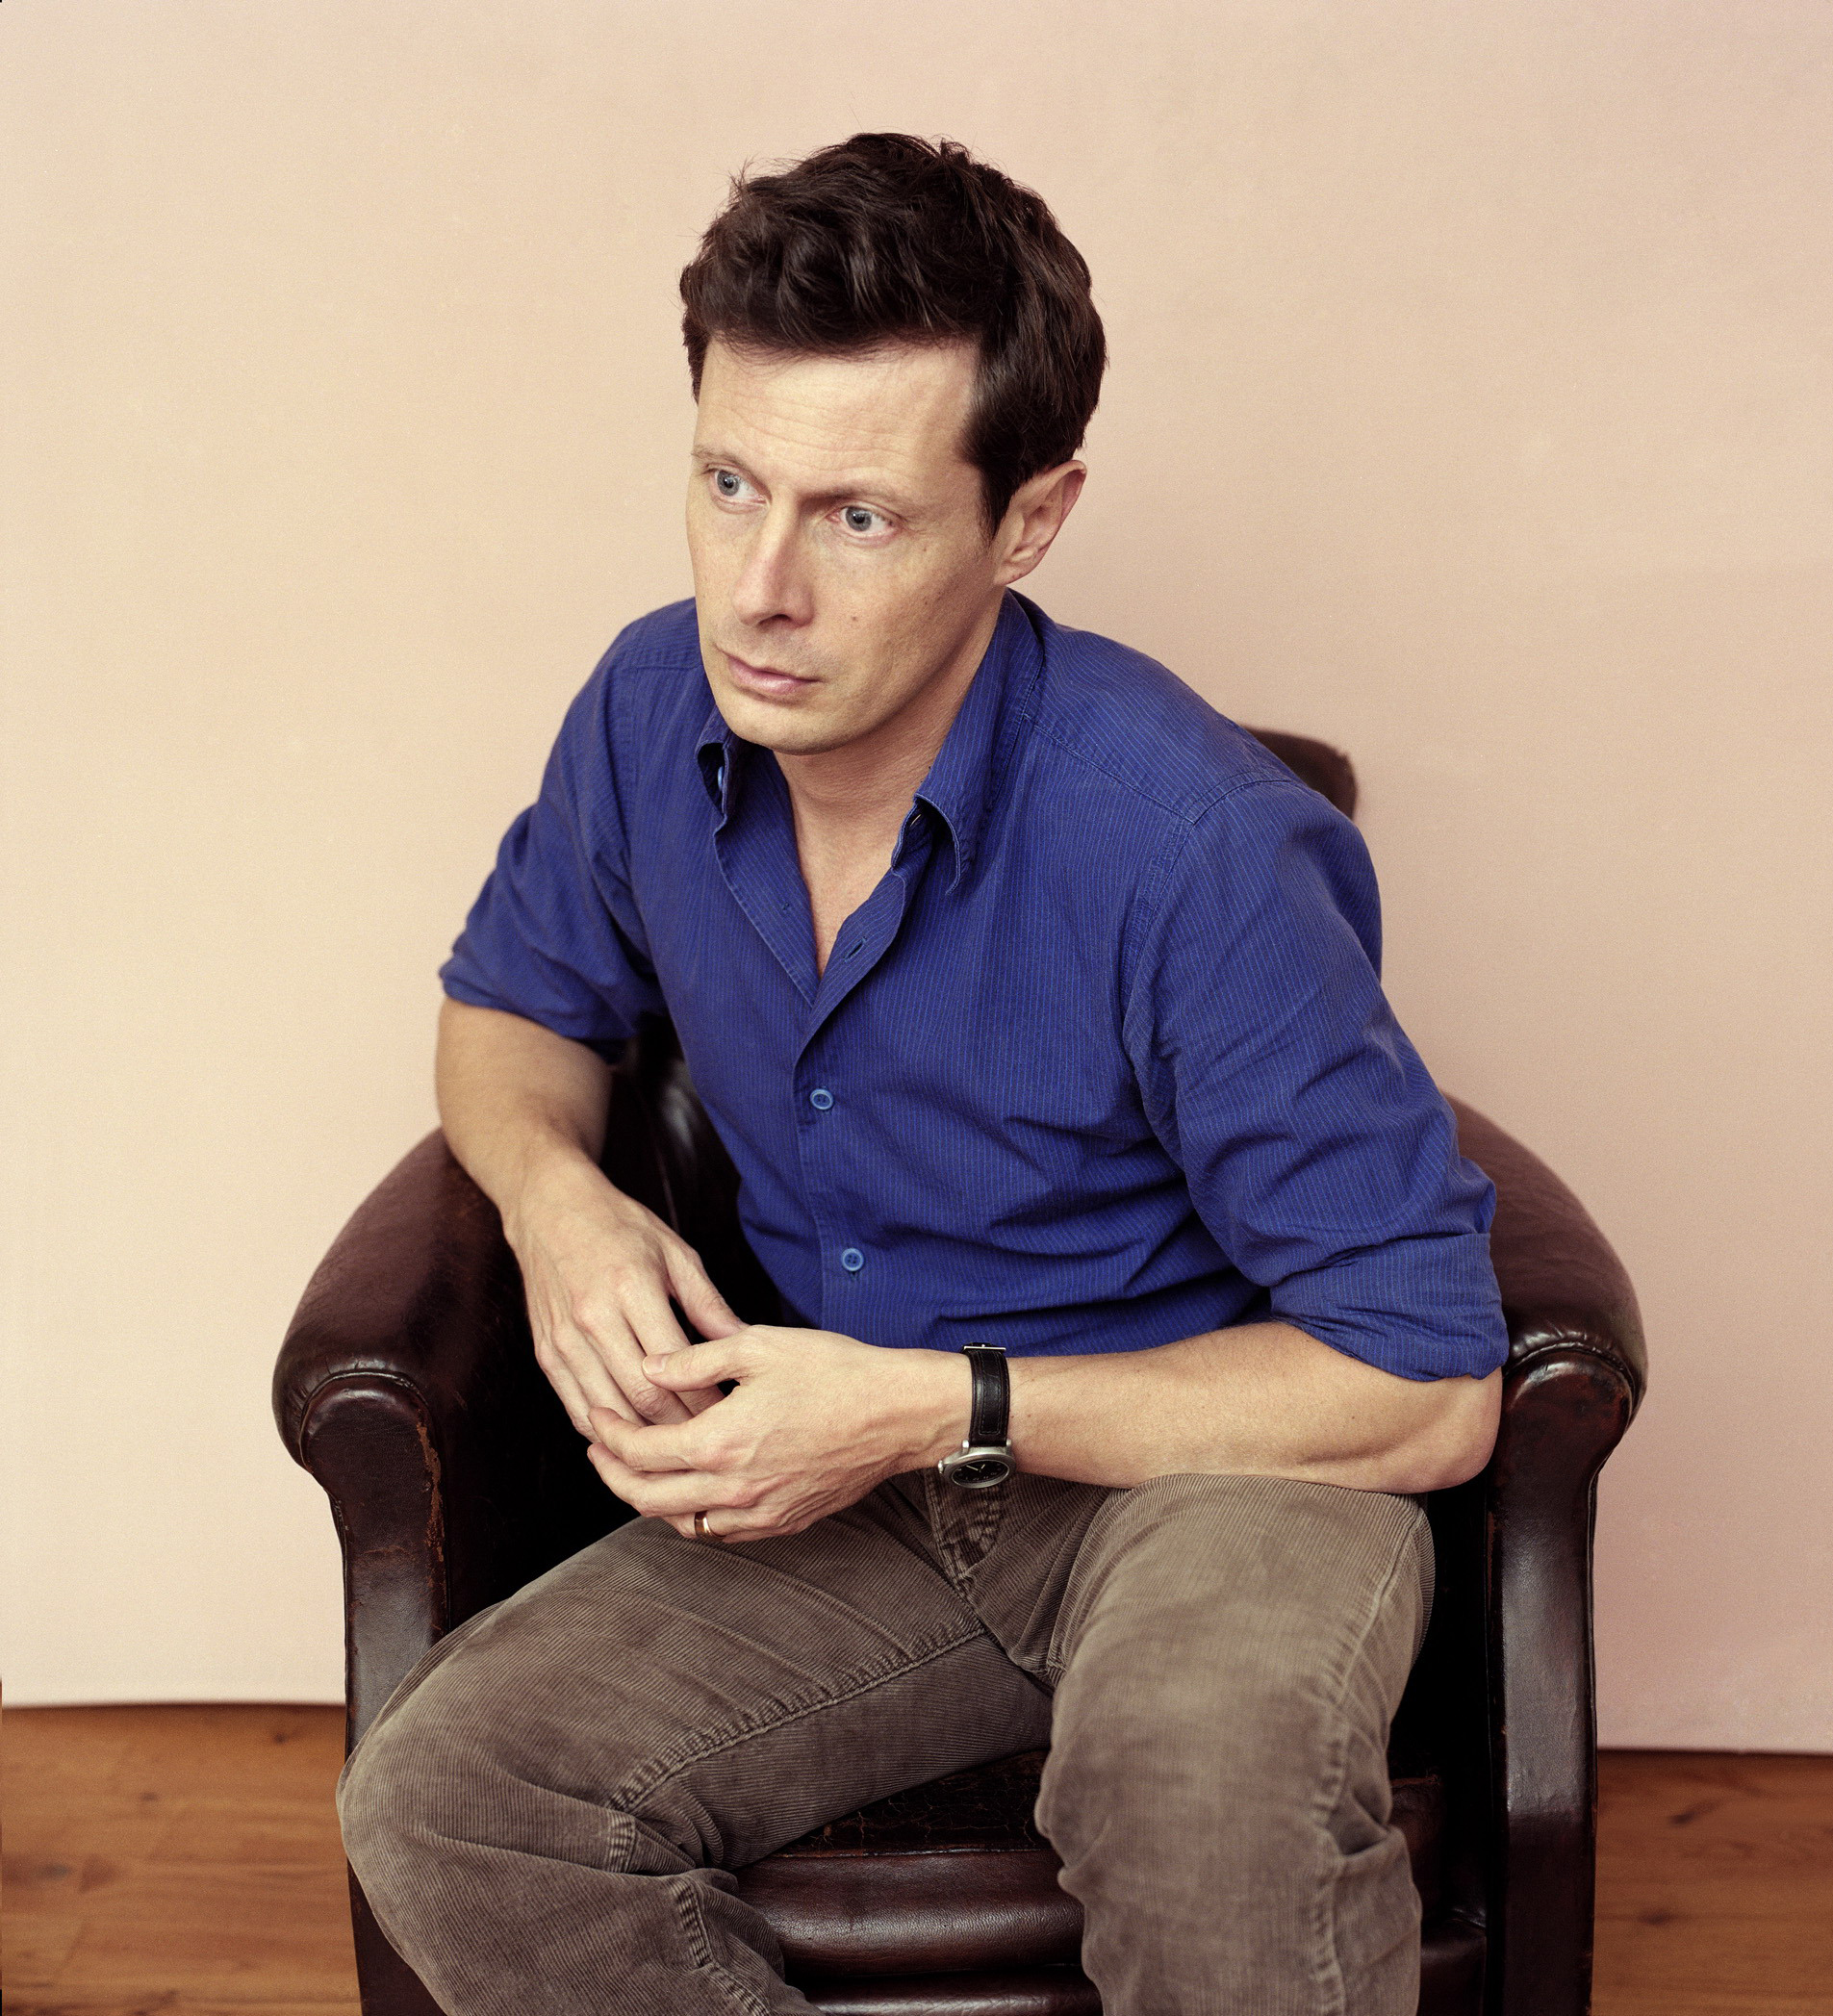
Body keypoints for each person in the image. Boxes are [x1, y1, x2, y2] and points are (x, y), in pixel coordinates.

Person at [337, 131, 1509, 2015]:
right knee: (456, 1795)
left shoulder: (1195, 843)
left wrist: (922, 1406)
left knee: (1198, 1802)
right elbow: (509, 1008)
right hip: (857, 1473)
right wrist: (561, 1208)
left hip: (1212, 1465)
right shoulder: (646, 711)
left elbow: (1429, 1387)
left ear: (1025, 520)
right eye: (729, 484)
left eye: (858, 518)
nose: (759, 590)